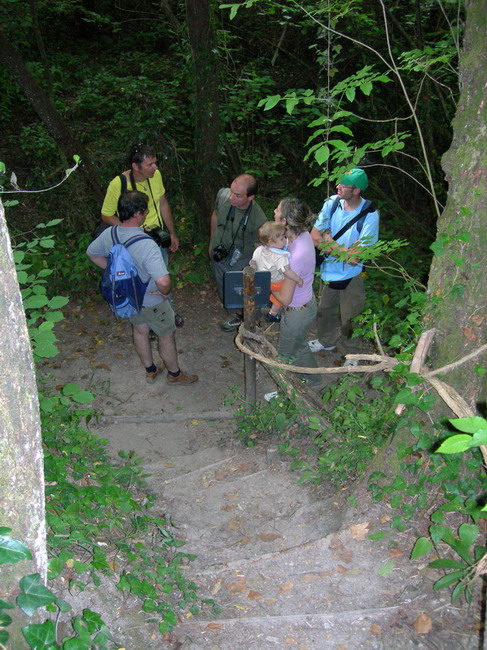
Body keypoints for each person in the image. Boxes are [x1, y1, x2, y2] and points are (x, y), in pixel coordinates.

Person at [87, 191, 198, 386]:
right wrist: (164, 293)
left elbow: (92, 253)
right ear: (138, 213)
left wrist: (117, 275)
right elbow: (163, 281)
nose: (146, 213)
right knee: (166, 334)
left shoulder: (110, 233)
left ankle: (151, 370)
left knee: (140, 331)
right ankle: (174, 374)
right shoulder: (147, 244)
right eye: (145, 210)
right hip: (151, 299)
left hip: (128, 297)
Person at [100, 143, 183, 328]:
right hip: (132, 243)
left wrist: (172, 233)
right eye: (150, 165)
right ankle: (144, 322)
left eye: (155, 163)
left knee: (160, 278)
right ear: (135, 166)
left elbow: (163, 204)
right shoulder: (119, 184)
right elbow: (106, 213)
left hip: (156, 239)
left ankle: (166, 314)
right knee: (139, 281)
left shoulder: (156, 176)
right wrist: (131, 230)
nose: (155, 168)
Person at [309, 168, 379, 363]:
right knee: (325, 310)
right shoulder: (332, 204)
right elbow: (314, 236)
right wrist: (343, 250)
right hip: (328, 272)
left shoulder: (370, 215)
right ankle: (326, 340)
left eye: (343, 185)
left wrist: (328, 241)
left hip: (352, 275)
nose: (338, 187)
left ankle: (353, 352)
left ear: (356, 191)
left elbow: (357, 258)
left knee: (351, 316)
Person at [270, 198, 322, 390]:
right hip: (306, 303)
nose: (274, 211)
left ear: (284, 221)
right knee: (298, 345)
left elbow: (284, 298)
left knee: (283, 356)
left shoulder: (296, 255)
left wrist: (266, 280)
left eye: (277, 209)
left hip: (296, 311)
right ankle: (314, 381)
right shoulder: (301, 236)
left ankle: (284, 395)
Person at [209, 174, 267, 332]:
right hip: (220, 253)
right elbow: (215, 215)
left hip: (242, 258)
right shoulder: (223, 196)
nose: (231, 197)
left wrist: (256, 268)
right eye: (231, 192)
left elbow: (260, 247)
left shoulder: (258, 218)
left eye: (238, 195)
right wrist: (211, 242)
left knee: (240, 290)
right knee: (223, 286)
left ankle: (249, 321)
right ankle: (235, 315)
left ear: (251, 197)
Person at [249, 221, 303, 322]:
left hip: (263, 281)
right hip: (276, 283)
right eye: (282, 239)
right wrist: (298, 279)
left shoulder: (259, 250)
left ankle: (270, 299)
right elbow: (287, 272)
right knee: (282, 297)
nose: (285, 240)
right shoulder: (280, 256)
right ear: (270, 242)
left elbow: (252, 264)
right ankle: (272, 314)